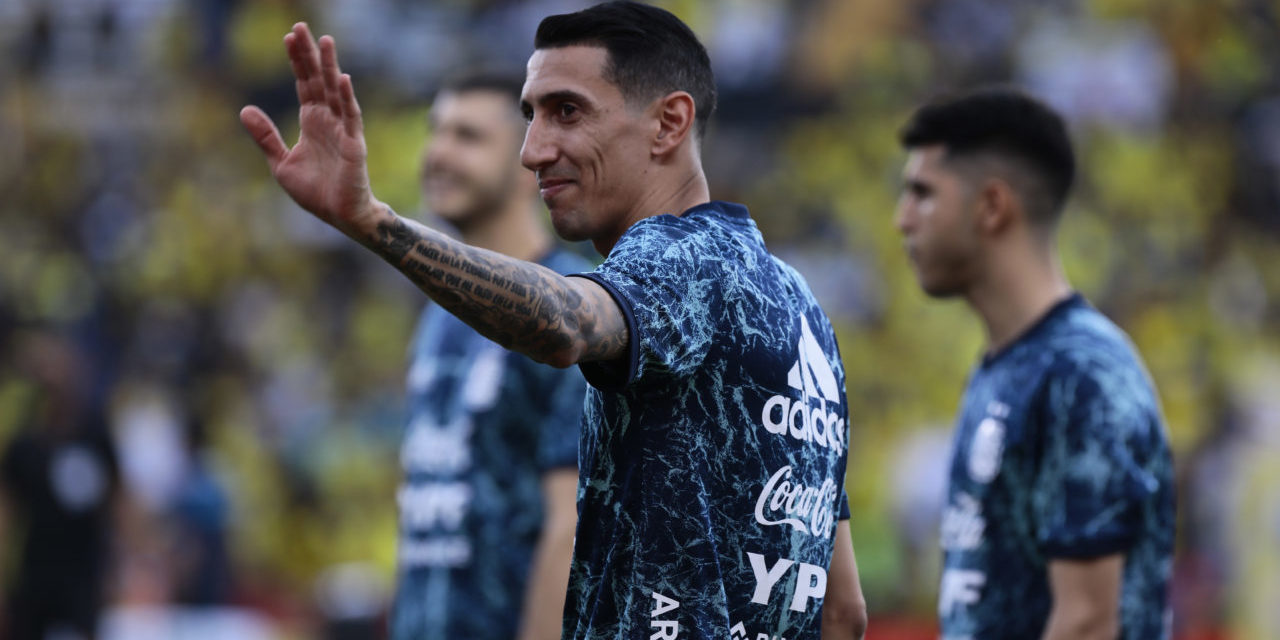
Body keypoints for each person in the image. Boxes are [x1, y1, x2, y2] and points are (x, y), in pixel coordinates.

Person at [238, 2, 867, 638]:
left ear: (669, 123)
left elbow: (567, 325)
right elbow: (845, 611)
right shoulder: (799, 304)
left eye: (567, 111)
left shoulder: (680, 255)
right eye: (529, 116)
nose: (534, 152)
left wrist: (374, 222)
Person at [894, 86, 1175, 639]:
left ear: (992, 206)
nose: (902, 219)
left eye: (923, 194)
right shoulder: (1007, 367)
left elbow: (1090, 623)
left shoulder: (1080, 374)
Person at [391, 72, 588, 640]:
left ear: (531, 163)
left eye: (468, 137)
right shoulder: (436, 316)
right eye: (437, 132)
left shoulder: (575, 306)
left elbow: (572, 521)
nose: (438, 153)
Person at [0, 329, 122, 640]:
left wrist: (120, 565)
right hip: (35, 572)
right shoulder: (25, 445)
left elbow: (118, 502)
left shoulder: (96, 436)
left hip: (84, 573)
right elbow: (7, 512)